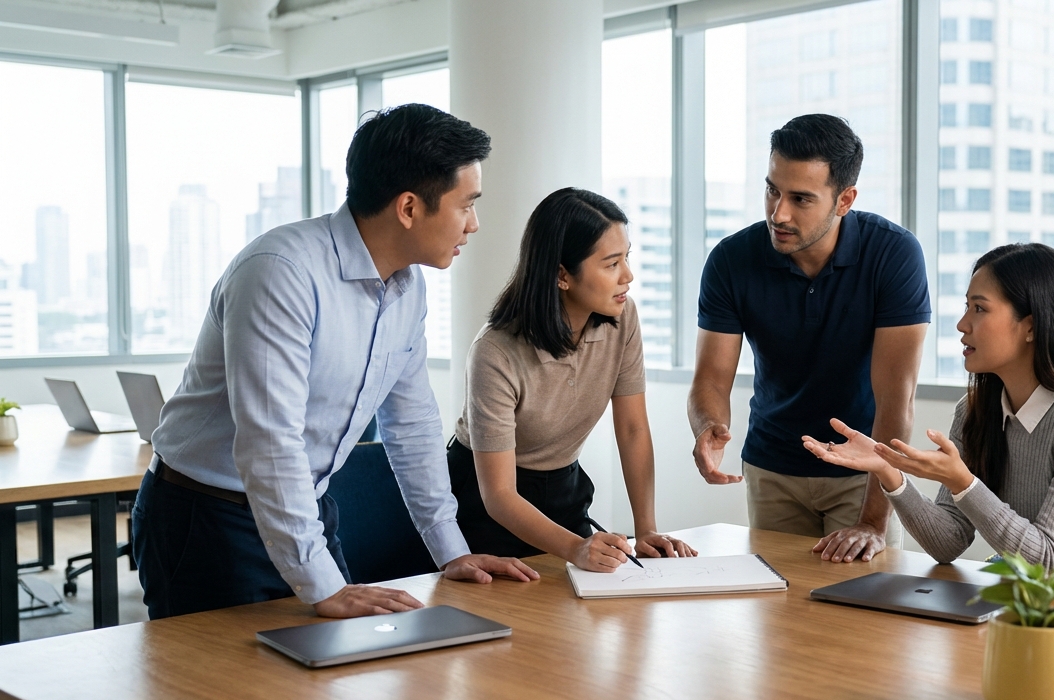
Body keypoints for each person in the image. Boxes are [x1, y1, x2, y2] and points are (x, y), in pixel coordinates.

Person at [133, 104, 538, 621]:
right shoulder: (281, 272)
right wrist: (324, 586)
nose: (475, 224)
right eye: (467, 205)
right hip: (208, 515)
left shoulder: (407, 289)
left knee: (325, 683)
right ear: (409, 208)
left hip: (307, 508)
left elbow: (412, 424)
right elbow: (270, 441)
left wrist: (451, 551)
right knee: (220, 696)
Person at [803, 243, 1054, 588]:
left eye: (979, 308)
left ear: (1030, 325)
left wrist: (964, 483)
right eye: (966, 307)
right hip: (1038, 604)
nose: (963, 324)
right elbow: (948, 542)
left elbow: (1046, 558)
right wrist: (889, 472)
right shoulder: (975, 411)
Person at [688, 113, 930, 564]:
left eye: (801, 198)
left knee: (865, 624)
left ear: (845, 200)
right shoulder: (730, 260)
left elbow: (897, 397)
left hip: (863, 473)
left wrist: (874, 521)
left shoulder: (894, 254)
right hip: (771, 467)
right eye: (772, 190)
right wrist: (707, 426)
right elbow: (711, 379)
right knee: (780, 621)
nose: (779, 213)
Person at [450, 187, 696, 572]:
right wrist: (576, 547)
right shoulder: (494, 352)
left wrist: (645, 531)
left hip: (564, 489)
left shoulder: (622, 317)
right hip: (485, 505)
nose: (628, 276)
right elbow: (498, 494)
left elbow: (632, 428)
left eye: (626, 257)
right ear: (562, 274)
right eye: (611, 263)